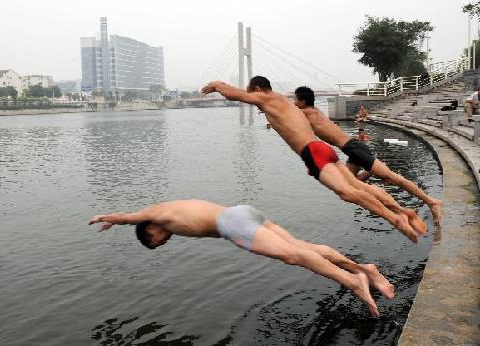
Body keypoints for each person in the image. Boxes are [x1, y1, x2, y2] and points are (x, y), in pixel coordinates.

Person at [201, 76, 425, 242]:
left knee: (348, 193)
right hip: (322, 149)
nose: (251, 97)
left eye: (252, 93)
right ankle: (404, 211)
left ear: (258, 89)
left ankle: (395, 219)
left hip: (312, 153)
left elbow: (234, 94)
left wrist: (217, 85)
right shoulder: (282, 102)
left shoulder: (264, 98)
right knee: (355, 184)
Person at [89, 199, 396, 317]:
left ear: (150, 230)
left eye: (155, 241)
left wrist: (110, 218)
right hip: (242, 211)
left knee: (294, 256)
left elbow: (130, 217)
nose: (162, 241)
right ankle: (364, 269)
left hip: (232, 224)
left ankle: (352, 282)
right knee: (303, 247)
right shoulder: (167, 209)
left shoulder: (155, 216)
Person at [294, 86, 442, 225]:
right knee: (349, 186)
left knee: (392, 178)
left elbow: (286, 112)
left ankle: (430, 201)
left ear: (302, 101)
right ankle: (372, 173)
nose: (294, 103)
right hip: (352, 149)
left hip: (354, 148)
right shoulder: (314, 110)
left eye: (296, 100)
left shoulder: (306, 113)